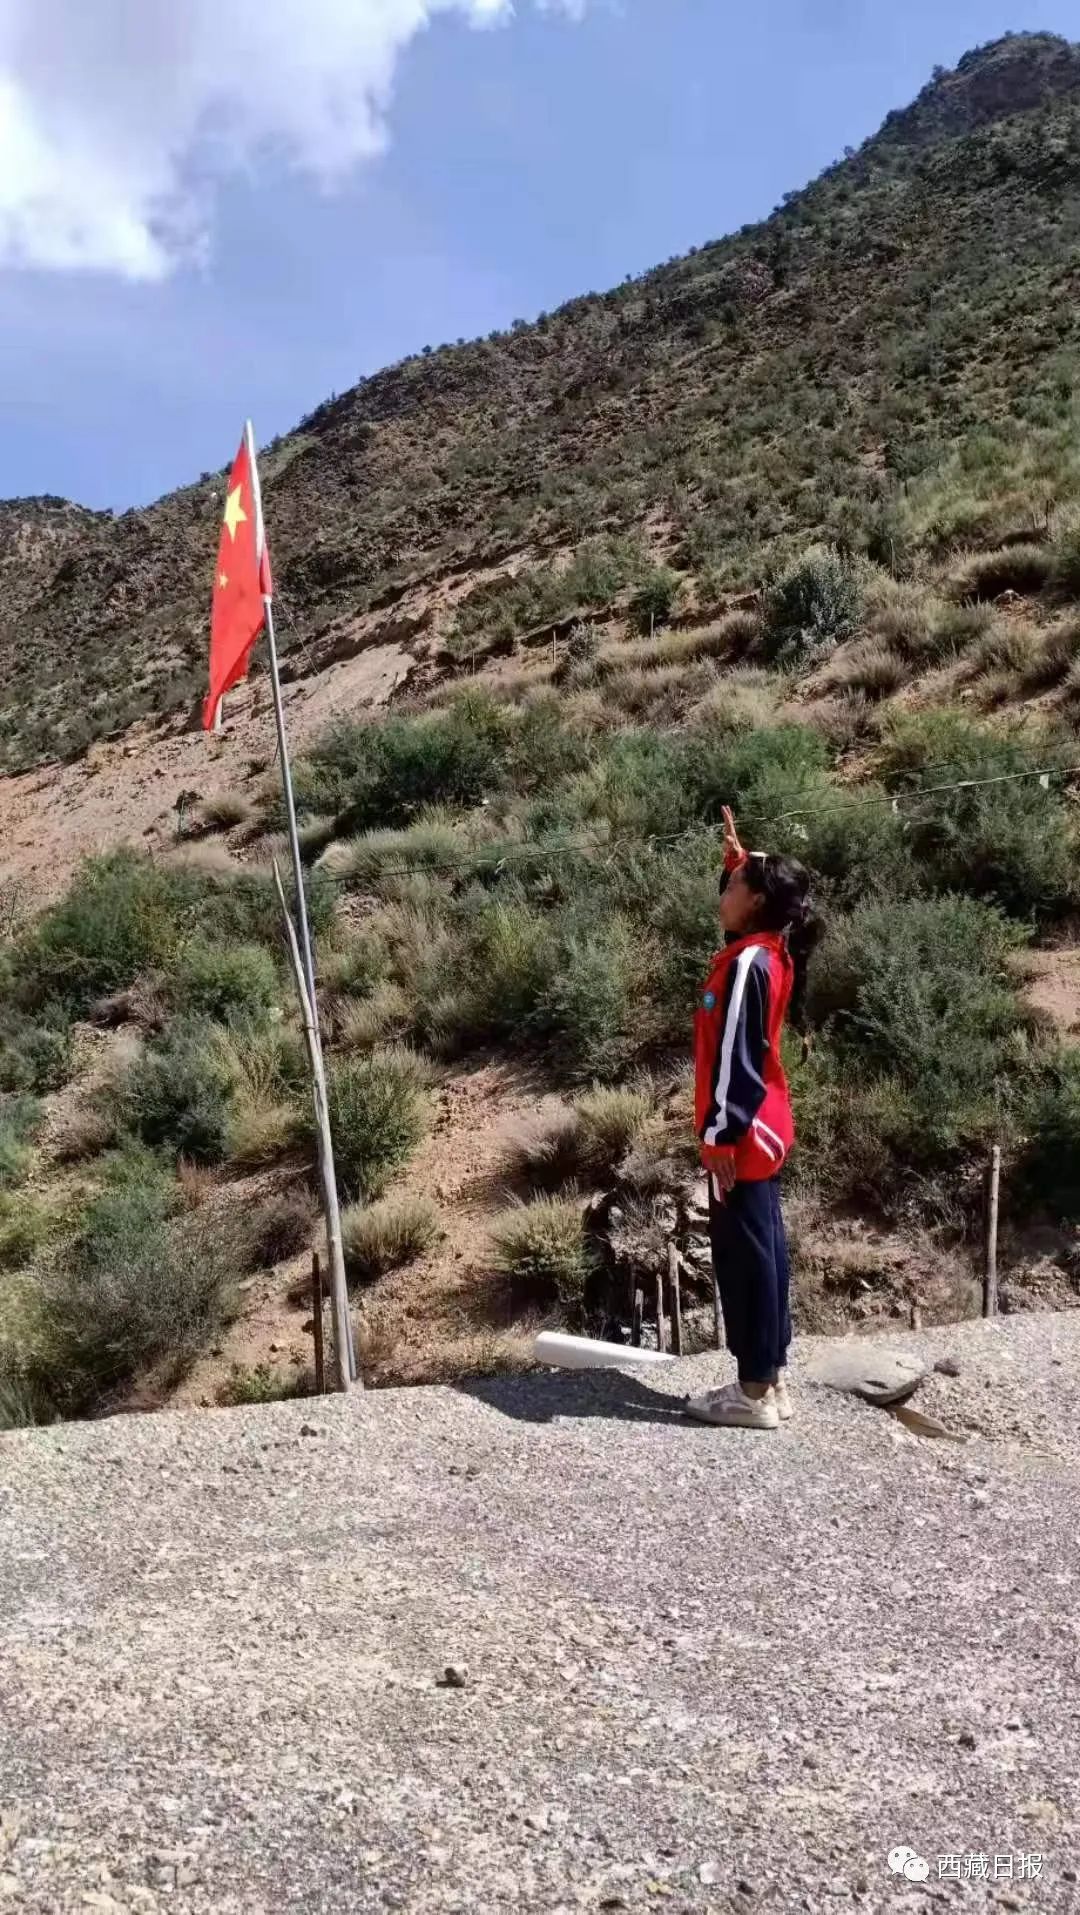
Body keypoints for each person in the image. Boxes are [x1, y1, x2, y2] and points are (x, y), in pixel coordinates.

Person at [686, 806, 819, 1430]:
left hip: (742, 1132)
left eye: (733, 885)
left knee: (744, 1259)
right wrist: (740, 862)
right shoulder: (768, 949)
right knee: (764, 1251)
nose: (723, 894)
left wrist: (719, 1134)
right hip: (763, 1127)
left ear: (758, 900)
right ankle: (770, 1376)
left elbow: (735, 1056)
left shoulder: (745, 966)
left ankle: (752, 1391)